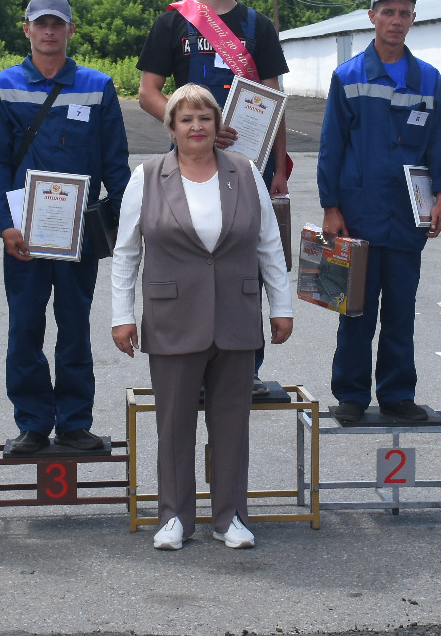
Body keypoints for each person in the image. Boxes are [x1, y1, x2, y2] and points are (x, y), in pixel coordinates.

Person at [110, 84, 294, 550]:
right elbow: (126, 252)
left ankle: (230, 516)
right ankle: (174, 517)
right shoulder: (147, 176)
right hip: (172, 319)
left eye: (205, 118)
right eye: (186, 119)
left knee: (231, 422)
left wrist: (282, 306)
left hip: (236, 315)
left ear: (218, 125)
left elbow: (269, 244)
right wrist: (121, 316)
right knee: (173, 424)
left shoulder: (246, 171)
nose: (197, 127)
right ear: (171, 127)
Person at [137, 0, 291, 394]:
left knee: (246, 259)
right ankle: (192, 358)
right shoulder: (173, 24)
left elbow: (274, 97)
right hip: (188, 162)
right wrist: (192, 126)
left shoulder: (258, 26)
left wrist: (279, 166)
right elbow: (147, 93)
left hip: (249, 163)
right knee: (190, 258)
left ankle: (248, 367)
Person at [0, 0, 131, 455]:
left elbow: (116, 165)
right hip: (25, 233)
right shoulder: (2, 86)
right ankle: (31, 423)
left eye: (57, 24)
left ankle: (72, 422)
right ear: (26, 29)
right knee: (25, 326)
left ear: (69, 30)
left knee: (74, 325)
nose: (49, 31)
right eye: (41, 23)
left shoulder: (97, 85)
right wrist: (6, 225)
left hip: (78, 236)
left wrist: (124, 225)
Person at [317, 0, 441, 424]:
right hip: (358, 214)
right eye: (388, 12)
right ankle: (352, 395)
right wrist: (331, 206)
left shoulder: (428, 79)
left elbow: (438, 145)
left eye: (405, 13)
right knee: (354, 307)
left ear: (413, 20)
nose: (396, 21)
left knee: (400, 310)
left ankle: (397, 393)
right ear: (372, 17)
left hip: (407, 216)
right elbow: (331, 147)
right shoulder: (349, 76)